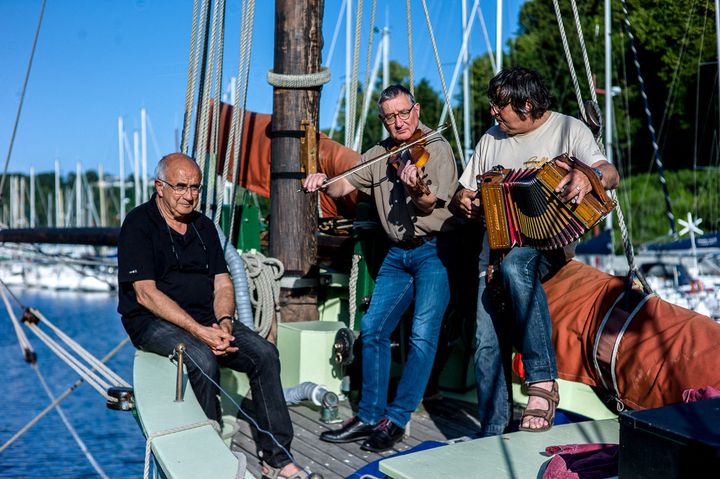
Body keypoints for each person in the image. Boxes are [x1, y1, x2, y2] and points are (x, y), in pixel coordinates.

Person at [117, 153, 309, 479]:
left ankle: (276, 457)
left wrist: (224, 323)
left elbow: (223, 281)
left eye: (195, 187)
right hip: (151, 320)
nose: (189, 195)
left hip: (208, 318)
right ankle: (209, 451)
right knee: (201, 358)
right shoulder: (138, 224)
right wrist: (199, 332)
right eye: (180, 187)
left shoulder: (203, 226)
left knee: (264, 354)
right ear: (159, 187)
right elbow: (145, 293)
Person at [451, 67, 620, 436]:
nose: (493, 112)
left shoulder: (567, 128)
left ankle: (543, 384)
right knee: (486, 346)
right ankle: (492, 434)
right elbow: (462, 193)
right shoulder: (490, 140)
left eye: (500, 106)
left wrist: (587, 176)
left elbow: (610, 173)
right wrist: (465, 201)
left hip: (549, 245)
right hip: (493, 253)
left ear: (526, 105)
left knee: (517, 263)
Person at [303, 84, 457, 452]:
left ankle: (397, 419)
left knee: (421, 337)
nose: (399, 122)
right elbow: (343, 186)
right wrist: (321, 180)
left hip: (435, 251)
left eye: (404, 113)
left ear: (416, 111)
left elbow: (428, 204)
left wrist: (416, 189)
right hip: (397, 254)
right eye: (390, 116)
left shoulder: (436, 148)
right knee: (371, 329)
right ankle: (370, 415)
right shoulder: (378, 154)